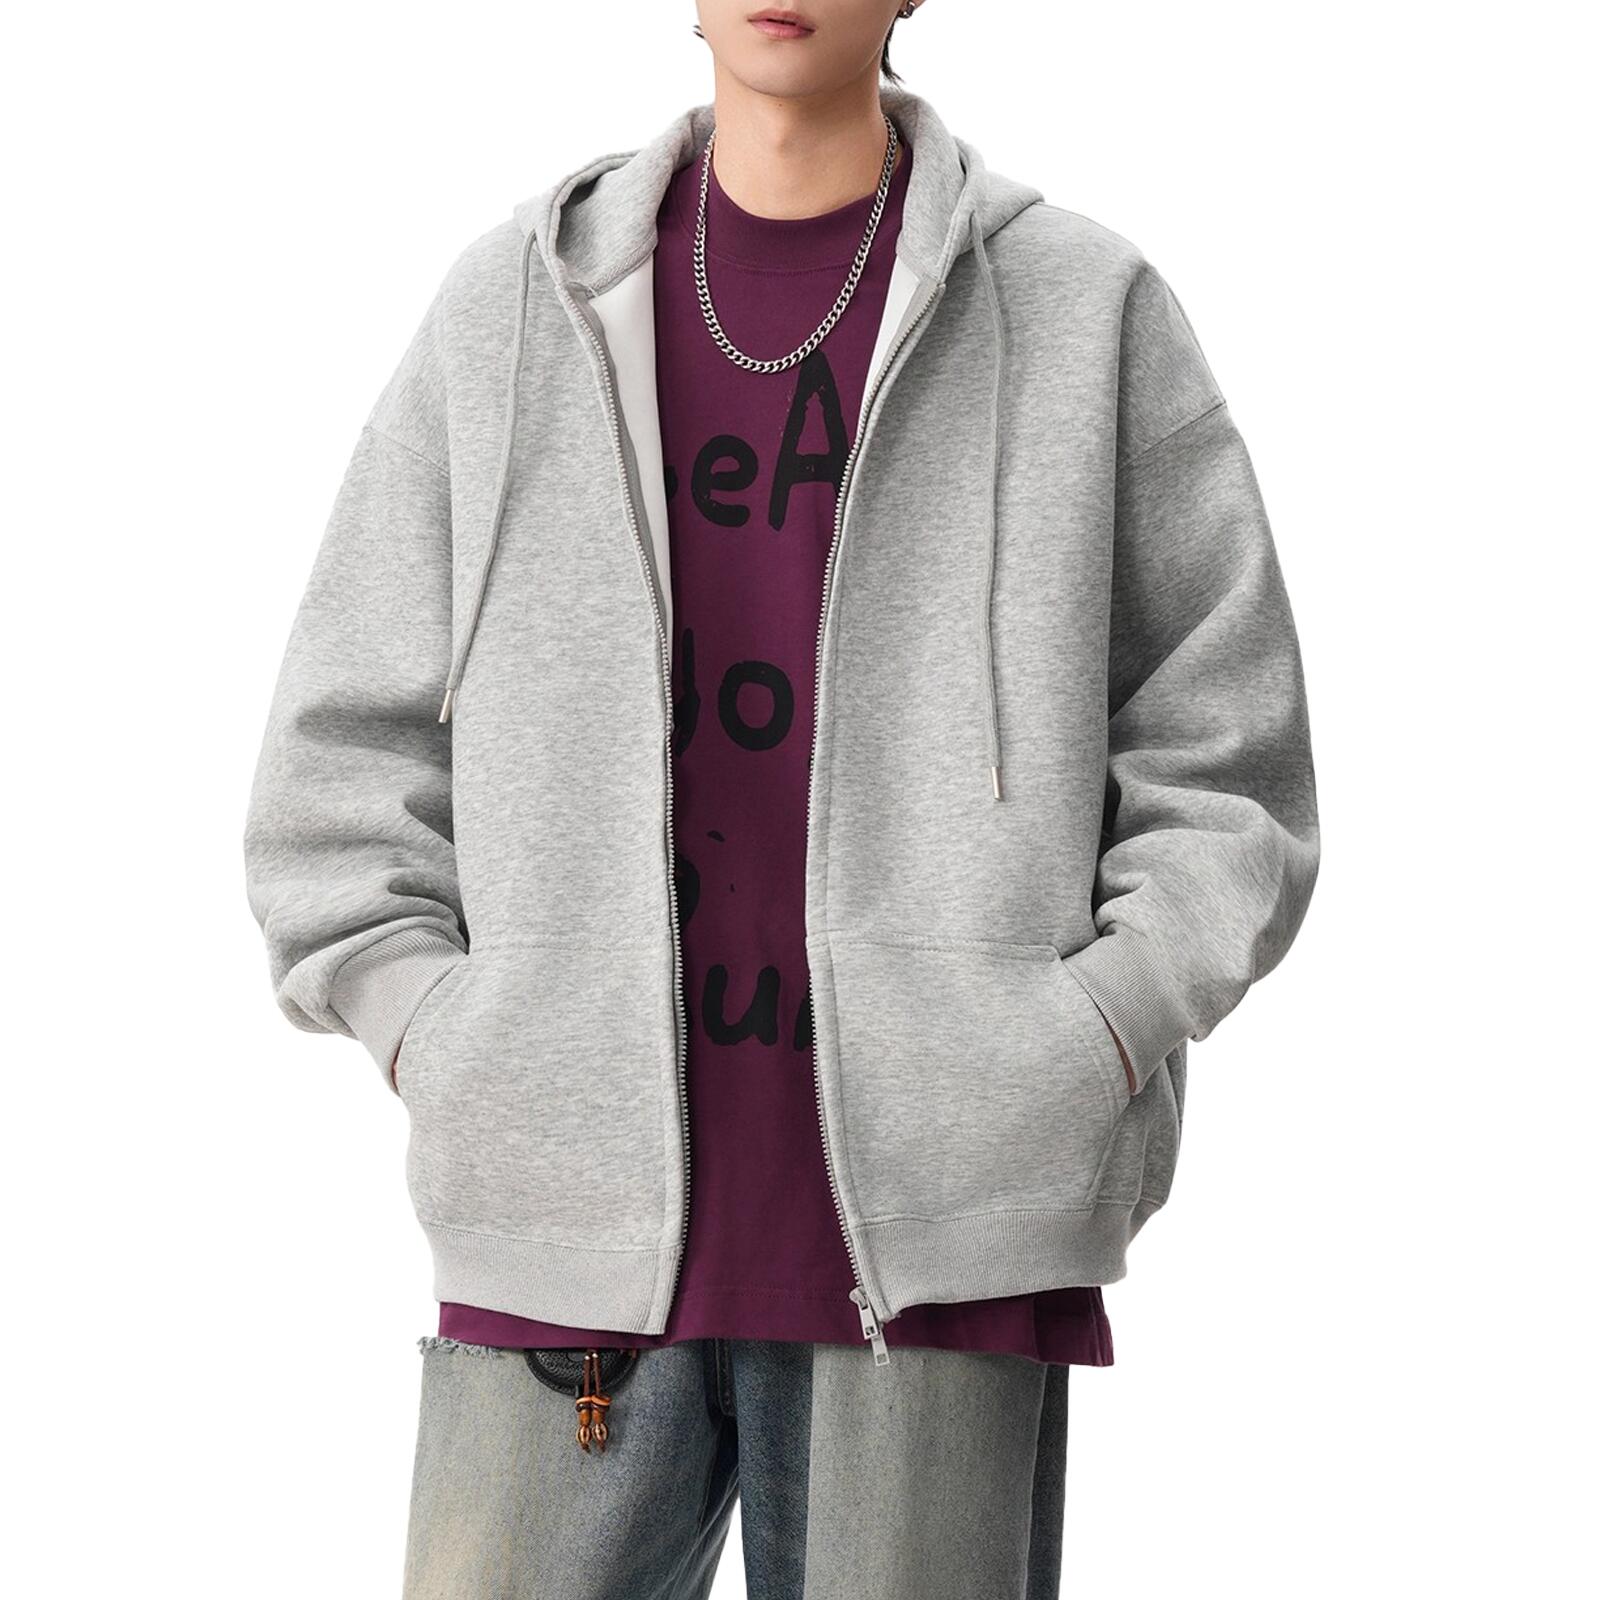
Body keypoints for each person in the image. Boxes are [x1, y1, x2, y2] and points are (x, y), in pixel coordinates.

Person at [243, 3, 1320, 1595]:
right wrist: (447, 1040)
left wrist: (1083, 1036)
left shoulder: (1084, 309)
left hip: (945, 1242)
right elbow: (339, 754)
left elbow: (1228, 755)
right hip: (561, 1229)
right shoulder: (513, 311)